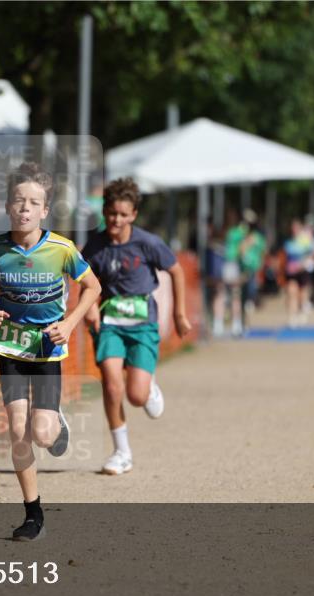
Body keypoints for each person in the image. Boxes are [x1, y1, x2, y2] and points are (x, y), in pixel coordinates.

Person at [0, 162, 101, 541]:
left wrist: (71, 323)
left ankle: (55, 423)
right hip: (10, 348)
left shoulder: (62, 249)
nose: (25, 208)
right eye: (18, 201)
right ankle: (32, 513)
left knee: (42, 434)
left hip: (46, 351)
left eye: (33, 203)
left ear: (45, 210)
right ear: (8, 207)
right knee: (16, 429)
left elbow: (93, 287)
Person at [80, 178, 191, 476]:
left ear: (133, 215)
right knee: (111, 385)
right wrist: (89, 307)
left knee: (136, 396)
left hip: (143, 325)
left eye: (122, 214)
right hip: (111, 324)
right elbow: (86, 282)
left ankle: (148, 385)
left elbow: (177, 271)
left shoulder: (148, 243)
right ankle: (121, 452)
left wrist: (179, 315)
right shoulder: (95, 246)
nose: (116, 219)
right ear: (104, 211)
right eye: (111, 213)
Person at [284, 218, 314, 328]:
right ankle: (292, 317)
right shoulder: (288, 241)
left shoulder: (306, 241)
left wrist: (304, 263)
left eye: (297, 228)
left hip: (303, 272)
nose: (294, 230)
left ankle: (302, 313)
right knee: (292, 293)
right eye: (293, 228)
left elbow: (313, 254)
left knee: (302, 294)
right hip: (291, 272)